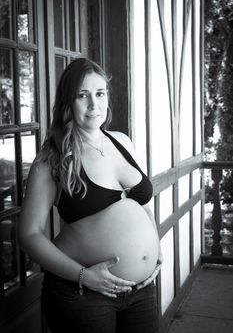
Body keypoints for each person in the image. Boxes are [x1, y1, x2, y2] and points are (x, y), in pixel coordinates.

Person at [19, 58, 163, 333]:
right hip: (84, 294)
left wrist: (154, 246)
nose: (93, 104)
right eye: (82, 95)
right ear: (68, 103)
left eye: (100, 93)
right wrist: (84, 276)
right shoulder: (52, 159)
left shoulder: (122, 141)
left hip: (142, 290)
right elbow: (28, 234)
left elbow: (137, 202)